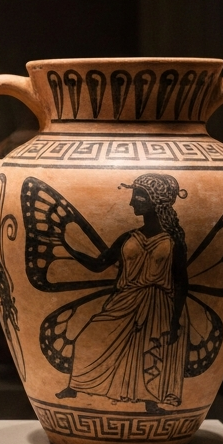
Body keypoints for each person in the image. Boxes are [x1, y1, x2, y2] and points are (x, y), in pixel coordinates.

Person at [55, 172, 189, 414]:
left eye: (138, 196)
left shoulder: (173, 242)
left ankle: (150, 401)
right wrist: (70, 251)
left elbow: (181, 282)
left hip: (156, 304)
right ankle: (76, 386)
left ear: (155, 201)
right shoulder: (128, 237)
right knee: (87, 338)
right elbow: (100, 264)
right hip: (124, 299)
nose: (131, 201)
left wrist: (175, 319)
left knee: (149, 350)